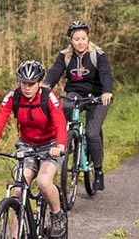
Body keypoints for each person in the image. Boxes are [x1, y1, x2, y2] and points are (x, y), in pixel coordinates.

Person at [0, 61, 68, 238]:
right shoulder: (13, 97)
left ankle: (57, 215)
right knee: (19, 190)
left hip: (50, 146)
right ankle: (15, 235)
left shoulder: (49, 97)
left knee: (43, 181)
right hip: (26, 146)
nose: (26, 88)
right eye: (23, 83)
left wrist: (60, 146)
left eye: (31, 84)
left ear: (40, 83)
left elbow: (60, 122)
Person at [43, 20, 114, 191]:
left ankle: (98, 171)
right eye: (76, 39)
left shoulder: (98, 54)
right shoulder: (65, 56)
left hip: (97, 97)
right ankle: (70, 139)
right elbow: (54, 73)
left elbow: (106, 73)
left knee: (92, 133)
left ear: (88, 38)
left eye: (83, 38)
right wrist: (45, 88)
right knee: (65, 107)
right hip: (75, 94)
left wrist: (107, 91)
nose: (80, 42)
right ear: (71, 41)